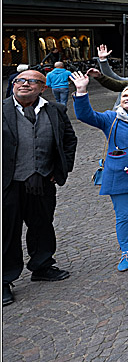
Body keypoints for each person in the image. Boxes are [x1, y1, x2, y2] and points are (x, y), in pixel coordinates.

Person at [71, 74, 128, 271]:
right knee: (123, 215)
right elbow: (85, 115)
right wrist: (81, 92)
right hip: (118, 174)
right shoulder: (110, 118)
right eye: (125, 96)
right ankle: (125, 252)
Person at [2, 70, 78, 306]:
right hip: (8, 183)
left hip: (43, 181)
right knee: (7, 231)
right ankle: (4, 279)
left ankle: (42, 265)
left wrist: (58, 169)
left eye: (32, 81)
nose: (24, 84)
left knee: (42, 225)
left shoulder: (55, 110)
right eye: (20, 81)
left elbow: (69, 139)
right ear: (13, 85)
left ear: (43, 87)